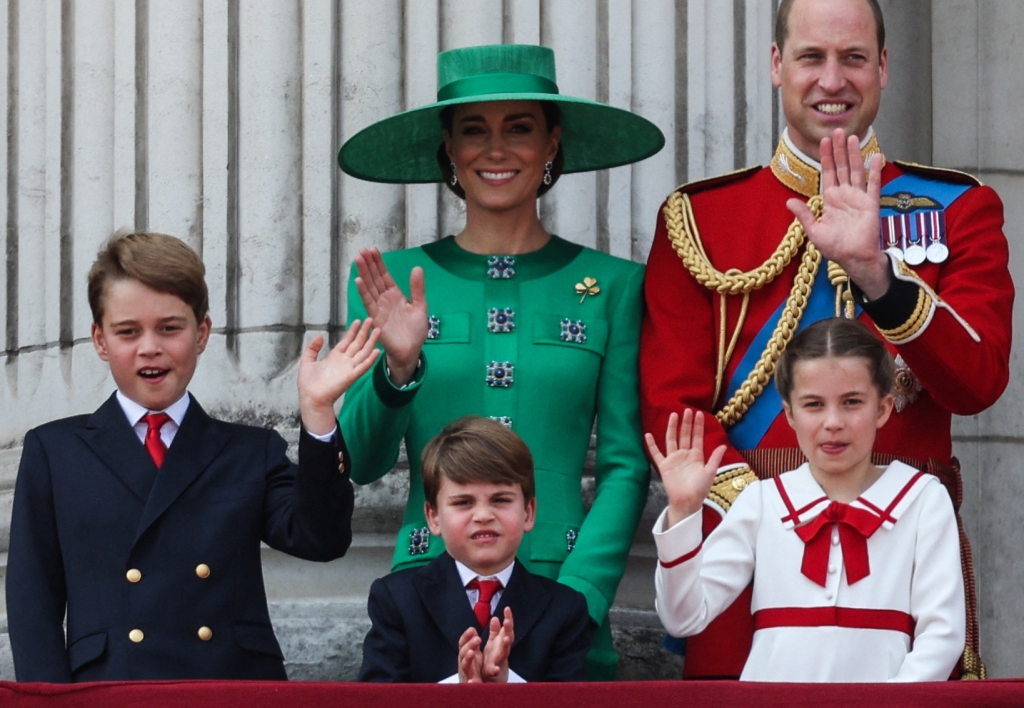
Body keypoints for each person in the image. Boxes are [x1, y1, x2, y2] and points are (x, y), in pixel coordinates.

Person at [641, 0, 1011, 678]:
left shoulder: (959, 207)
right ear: (777, 64)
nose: (832, 79)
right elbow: (672, 406)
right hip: (748, 560)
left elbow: (979, 379)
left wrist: (880, 278)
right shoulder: (700, 218)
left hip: (907, 545)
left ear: (884, 66)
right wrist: (777, 515)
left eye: (854, 57)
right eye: (812, 57)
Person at [337, 43, 663, 679]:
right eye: (473, 131)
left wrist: (582, 596)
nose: (496, 149)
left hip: (564, 594)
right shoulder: (393, 280)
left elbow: (626, 464)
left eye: (519, 128)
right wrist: (396, 370)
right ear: (449, 149)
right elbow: (363, 461)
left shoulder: (615, 284)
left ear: (552, 143)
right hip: (428, 596)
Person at [6, 231, 379, 682]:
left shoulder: (249, 450)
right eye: (128, 331)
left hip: (229, 684)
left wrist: (318, 412)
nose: (150, 347)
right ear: (100, 340)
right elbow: (33, 602)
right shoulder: (55, 450)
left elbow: (321, 539)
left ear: (201, 333)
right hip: (111, 689)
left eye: (169, 327)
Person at [648, 318, 965, 682]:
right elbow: (683, 617)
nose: (833, 422)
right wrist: (683, 513)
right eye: (814, 404)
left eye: (852, 402)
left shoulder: (923, 499)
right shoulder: (762, 500)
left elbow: (942, 635)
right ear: (790, 414)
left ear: (883, 408)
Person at [359, 416, 591, 682]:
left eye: (500, 500)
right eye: (463, 502)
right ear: (433, 517)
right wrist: (459, 688)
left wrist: (506, 687)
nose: (483, 515)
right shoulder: (397, 599)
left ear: (528, 512)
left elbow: (570, 699)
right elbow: (377, 697)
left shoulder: (563, 608)